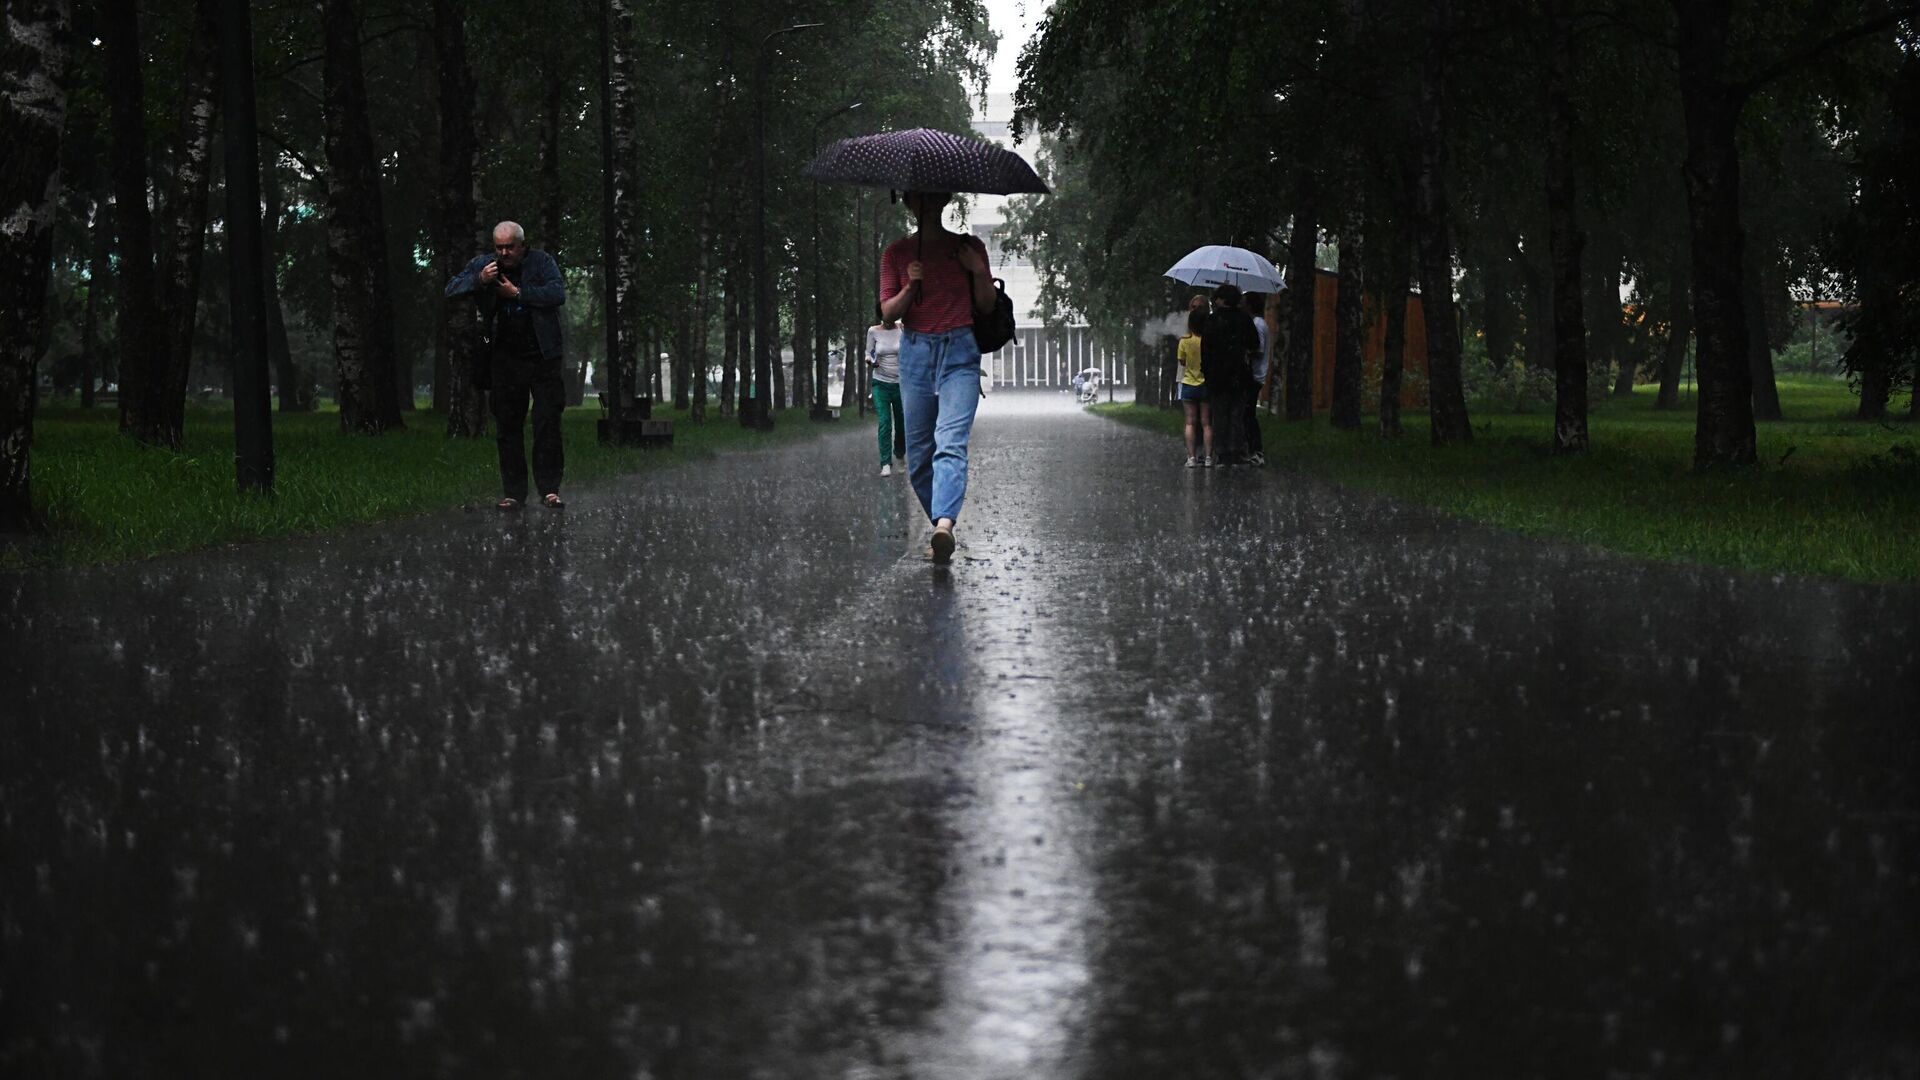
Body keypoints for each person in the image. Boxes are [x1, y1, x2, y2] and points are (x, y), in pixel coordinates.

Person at [878, 189, 997, 566]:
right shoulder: (896, 253)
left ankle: (943, 524)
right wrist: (911, 286)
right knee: (918, 459)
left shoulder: (969, 246)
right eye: (919, 198)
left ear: (944, 200)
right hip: (914, 355)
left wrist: (977, 270)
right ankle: (942, 529)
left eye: (934, 197)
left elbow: (986, 305)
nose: (927, 204)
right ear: (910, 203)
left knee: (950, 442)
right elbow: (886, 314)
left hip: (960, 352)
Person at [445, 221, 568, 509]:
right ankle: (514, 493)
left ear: (522, 245)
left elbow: (557, 294)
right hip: (504, 356)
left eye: (509, 247)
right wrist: (480, 280)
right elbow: (451, 289)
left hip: (542, 354)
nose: (504, 253)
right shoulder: (484, 265)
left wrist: (519, 294)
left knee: (547, 422)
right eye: (498, 247)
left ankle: (550, 489)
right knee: (508, 425)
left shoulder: (541, 262)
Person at [1202, 284, 1257, 465]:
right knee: (1237, 413)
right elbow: (1254, 343)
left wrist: (1207, 372)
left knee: (1219, 414)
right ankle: (1236, 450)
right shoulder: (1245, 319)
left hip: (1217, 374)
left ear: (1222, 299)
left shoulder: (1213, 320)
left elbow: (1206, 349)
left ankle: (1221, 451)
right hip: (1239, 373)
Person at [866, 305, 906, 477]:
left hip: (901, 384)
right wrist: (870, 360)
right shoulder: (873, 331)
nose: (888, 319)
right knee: (884, 422)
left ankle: (899, 454)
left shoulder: (903, 329)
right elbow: (868, 352)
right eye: (885, 315)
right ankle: (885, 463)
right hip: (880, 383)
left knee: (901, 423)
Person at [1178, 308, 1212, 467]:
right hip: (1205, 384)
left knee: (1190, 422)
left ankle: (1191, 458)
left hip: (1189, 384)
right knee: (1206, 423)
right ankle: (1208, 458)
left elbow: (1182, 362)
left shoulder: (1184, 341)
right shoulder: (1209, 340)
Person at [1244, 292, 1270, 467]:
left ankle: (1256, 451)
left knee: (1248, 414)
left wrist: (1244, 352)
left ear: (1251, 306)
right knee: (1247, 414)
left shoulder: (1257, 325)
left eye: (1244, 303)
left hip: (1254, 375)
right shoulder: (1259, 323)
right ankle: (1252, 449)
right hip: (1255, 375)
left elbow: (1258, 350)